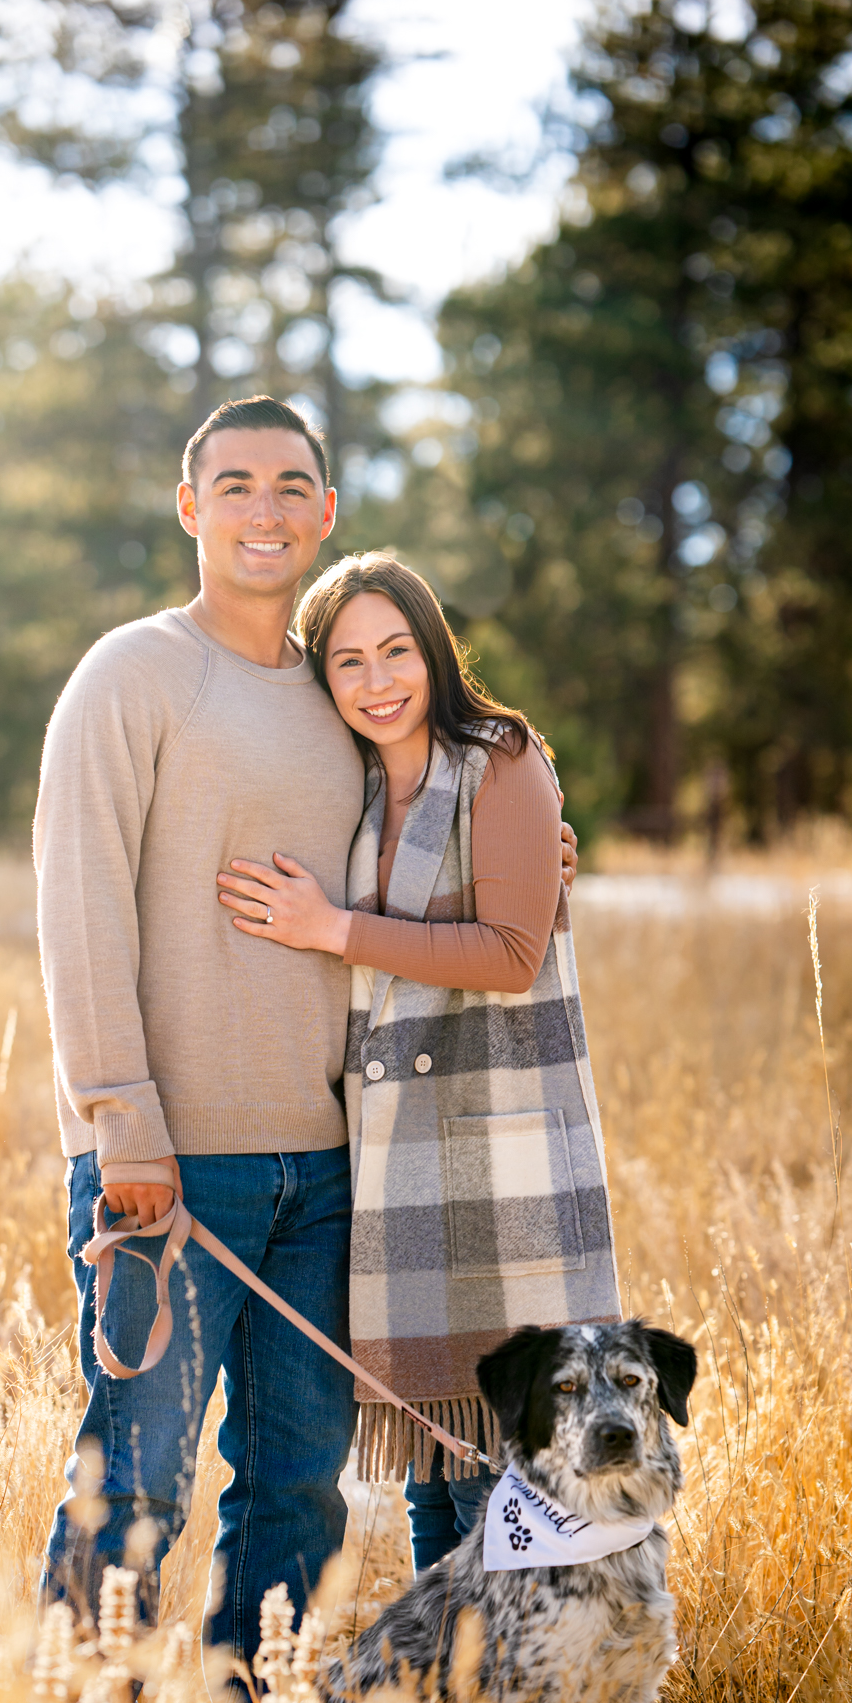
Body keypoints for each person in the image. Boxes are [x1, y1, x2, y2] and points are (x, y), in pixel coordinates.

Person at [35, 400, 579, 1692]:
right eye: (234, 484)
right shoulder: (132, 675)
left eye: (291, 485)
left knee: (297, 1499)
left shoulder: (343, 693)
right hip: (174, 1171)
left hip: (335, 1169)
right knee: (137, 1489)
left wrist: (547, 855)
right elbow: (78, 903)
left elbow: (441, 838)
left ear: (326, 512)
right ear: (191, 509)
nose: (263, 508)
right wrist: (125, 1127)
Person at [216, 552, 619, 1575]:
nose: (377, 679)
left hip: (504, 1165)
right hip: (398, 1170)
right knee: (433, 1478)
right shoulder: (346, 787)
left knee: (510, 1474)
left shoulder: (502, 759)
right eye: (347, 660)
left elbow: (509, 952)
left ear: (434, 650)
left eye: (396, 649)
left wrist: (333, 927)